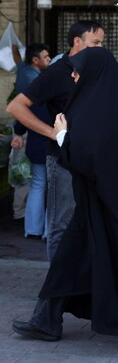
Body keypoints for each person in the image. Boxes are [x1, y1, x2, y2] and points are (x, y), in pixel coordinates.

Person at [10, 47, 118, 348]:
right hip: (97, 204)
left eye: (78, 71)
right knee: (68, 260)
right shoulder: (99, 105)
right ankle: (46, 320)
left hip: (113, 208)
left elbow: (91, 159)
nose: (74, 77)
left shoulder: (102, 110)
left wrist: (62, 136)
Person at [6, 20, 105, 260]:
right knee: (62, 222)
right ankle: (57, 281)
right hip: (62, 161)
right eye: (96, 43)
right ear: (77, 41)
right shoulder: (56, 72)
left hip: (90, 159)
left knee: (86, 221)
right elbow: (16, 107)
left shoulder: (93, 71)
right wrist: (53, 133)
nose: (100, 48)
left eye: (102, 43)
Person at [10, 43, 52, 239]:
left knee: (37, 185)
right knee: (53, 189)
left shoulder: (34, 87)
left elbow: (23, 113)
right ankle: (49, 232)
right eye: (45, 56)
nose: (48, 59)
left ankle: (32, 230)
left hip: (36, 146)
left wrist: (18, 133)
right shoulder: (59, 92)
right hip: (53, 147)